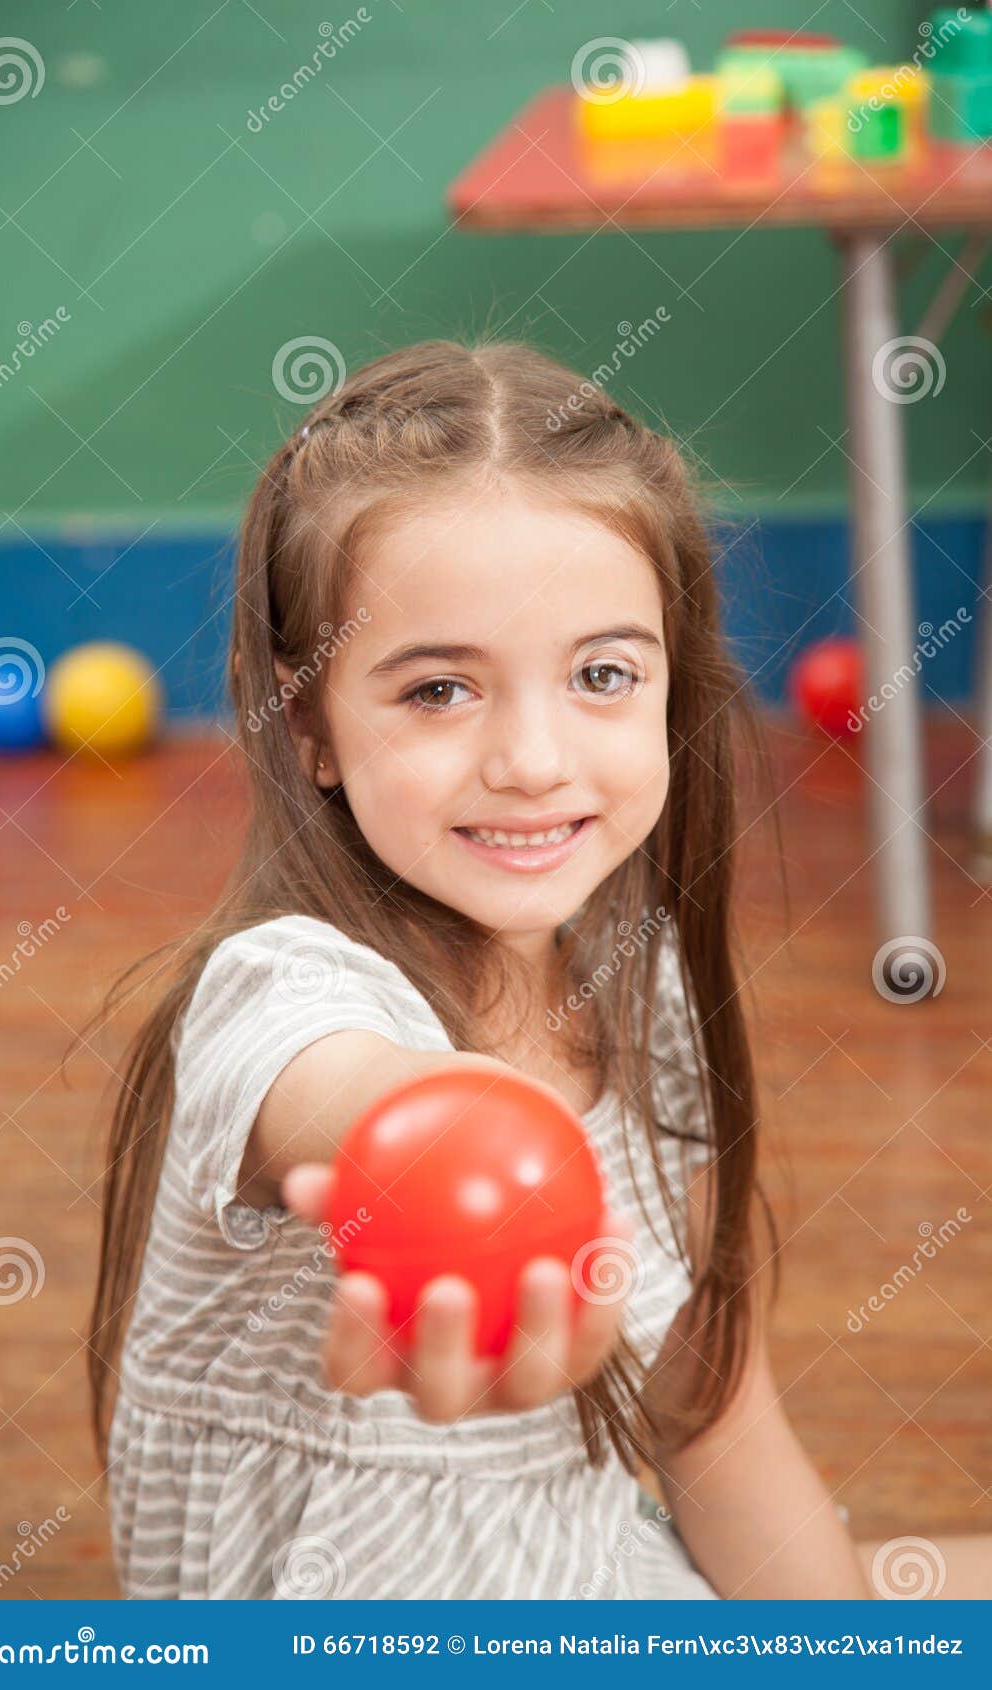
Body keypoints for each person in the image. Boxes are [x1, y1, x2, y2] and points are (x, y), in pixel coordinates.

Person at [87, 337, 876, 1600]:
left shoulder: (640, 979)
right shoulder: (279, 987)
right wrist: (458, 1156)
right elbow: (352, 1090)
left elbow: (711, 1416)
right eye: (441, 688)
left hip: (574, 1580)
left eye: (601, 674)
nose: (529, 757)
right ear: (311, 729)